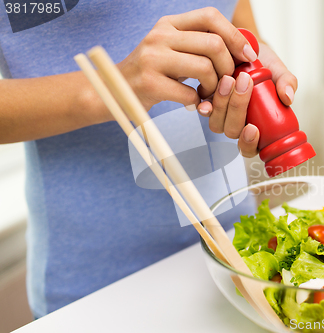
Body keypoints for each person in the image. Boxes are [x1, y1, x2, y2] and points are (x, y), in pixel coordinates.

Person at [0, 0, 297, 318]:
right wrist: (110, 88)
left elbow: (234, 15)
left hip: (235, 250)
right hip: (100, 286)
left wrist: (252, 54)